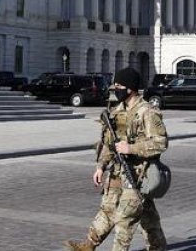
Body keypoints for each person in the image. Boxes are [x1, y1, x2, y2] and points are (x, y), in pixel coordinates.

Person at [66, 67, 168, 251]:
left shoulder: (147, 112)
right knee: (111, 209)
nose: (115, 89)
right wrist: (100, 167)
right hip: (117, 171)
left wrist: (131, 148)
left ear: (130, 88)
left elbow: (161, 142)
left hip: (138, 174)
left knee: (125, 218)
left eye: (119, 85)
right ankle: (89, 244)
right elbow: (108, 144)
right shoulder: (116, 111)